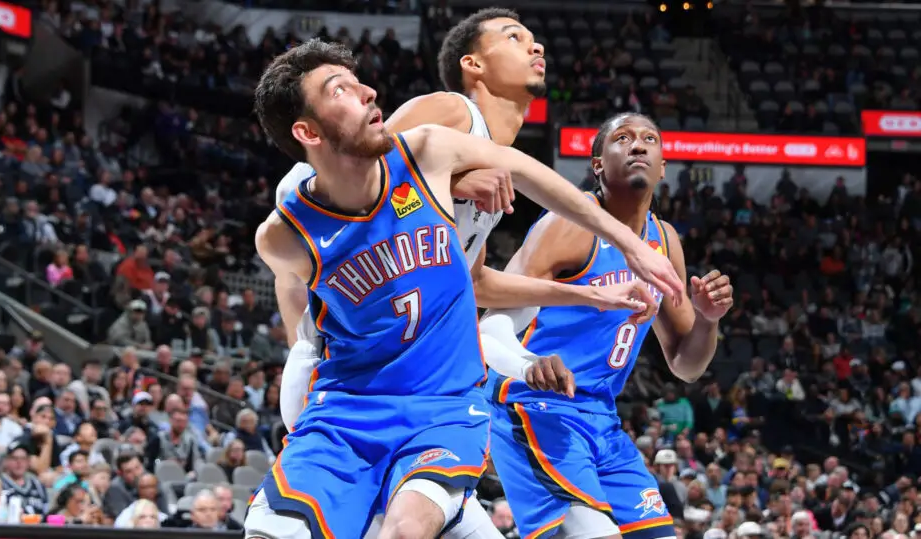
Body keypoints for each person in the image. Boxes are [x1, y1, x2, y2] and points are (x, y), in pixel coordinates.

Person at [271, 11, 678, 537]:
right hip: (346, 377)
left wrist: (590, 297)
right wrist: (445, 182)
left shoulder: (491, 158)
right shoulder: (451, 113)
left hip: (412, 387)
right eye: (514, 37)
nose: (536, 47)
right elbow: (337, 176)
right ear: (473, 65)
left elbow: (478, 284)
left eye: (534, 37)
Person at [479, 113, 736, 539]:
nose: (638, 145)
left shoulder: (664, 241)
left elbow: (686, 366)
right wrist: (527, 363)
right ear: (597, 164)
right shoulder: (567, 225)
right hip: (533, 406)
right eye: (623, 138)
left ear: (663, 166)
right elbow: (492, 323)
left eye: (649, 138)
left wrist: (708, 320)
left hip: (602, 416)